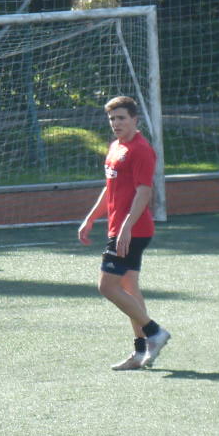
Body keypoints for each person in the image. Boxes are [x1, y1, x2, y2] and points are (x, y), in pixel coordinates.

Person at [78, 96, 170, 371]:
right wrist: (90, 218)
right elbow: (110, 188)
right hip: (119, 228)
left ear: (134, 120)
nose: (116, 123)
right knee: (129, 289)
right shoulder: (116, 147)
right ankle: (141, 352)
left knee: (107, 287)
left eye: (121, 118)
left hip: (133, 231)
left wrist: (126, 227)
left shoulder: (141, 150)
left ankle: (154, 332)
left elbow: (144, 192)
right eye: (112, 119)